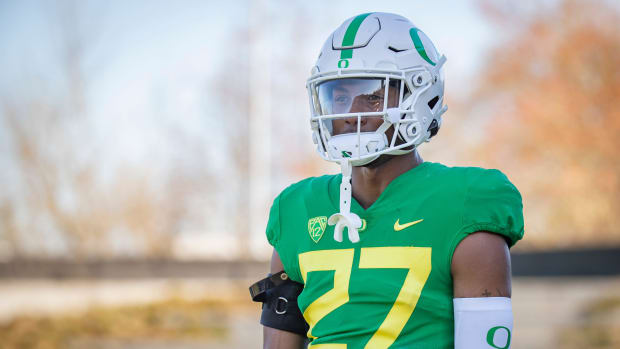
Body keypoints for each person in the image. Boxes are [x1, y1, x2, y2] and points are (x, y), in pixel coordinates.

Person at [250, 12, 523, 349]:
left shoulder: (465, 203)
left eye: (372, 96)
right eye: (338, 96)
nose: (349, 113)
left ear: (421, 96)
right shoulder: (296, 210)